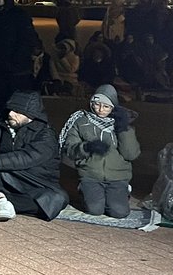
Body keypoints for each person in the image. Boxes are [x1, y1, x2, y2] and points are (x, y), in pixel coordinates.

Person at [0, 90, 67, 222]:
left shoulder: (45, 135)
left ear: (31, 116)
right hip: (4, 175)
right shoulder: (0, 126)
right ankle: (0, 198)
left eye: (18, 112)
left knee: (58, 198)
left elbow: (27, 157)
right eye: (11, 109)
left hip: (35, 181)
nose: (11, 114)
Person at [59, 85, 140, 218]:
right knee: (95, 209)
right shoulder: (80, 122)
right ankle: (84, 189)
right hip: (90, 175)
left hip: (117, 176)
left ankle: (124, 191)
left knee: (119, 212)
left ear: (113, 107)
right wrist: (87, 147)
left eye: (106, 106)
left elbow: (131, 154)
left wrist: (124, 130)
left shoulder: (120, 124)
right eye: (97, 105)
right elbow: (70, 149)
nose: (100, 110)